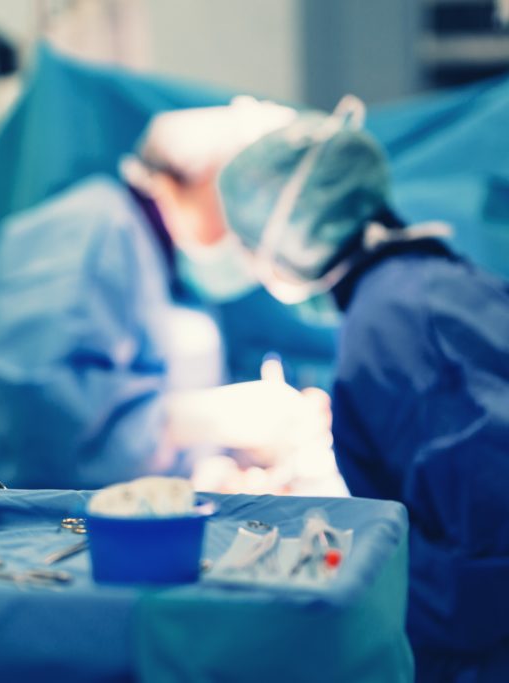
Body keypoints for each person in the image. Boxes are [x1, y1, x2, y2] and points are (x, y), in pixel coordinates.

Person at [207, 96, 509, 681]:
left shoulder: (392, 319)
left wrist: (340, 569)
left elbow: (487, 553)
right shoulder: (433, 283)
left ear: (288, 237)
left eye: (246, 246)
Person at [0, 99, 332, 490]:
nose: (253, 233)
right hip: (28, 523)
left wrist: (226, 460)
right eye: (247, 204)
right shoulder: (88, 230)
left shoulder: (170, 266)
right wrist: (195, 420)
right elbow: (42, 414)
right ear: (207, 177)